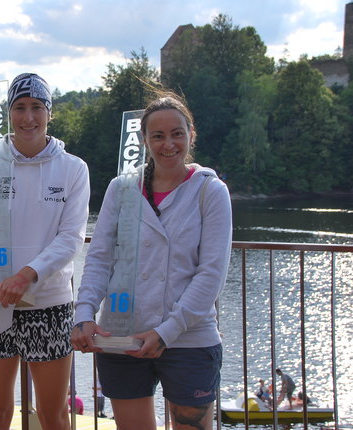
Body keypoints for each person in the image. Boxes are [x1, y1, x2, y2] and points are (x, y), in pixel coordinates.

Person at [71, 90, 232, 430]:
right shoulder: (121, 189)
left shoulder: (210, 191)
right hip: (122, 335)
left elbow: (211, 275)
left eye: (177, 133)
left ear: (191, 135)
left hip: (188, 337)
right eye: (157, 135)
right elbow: (99, 259)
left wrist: (165, 332)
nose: (168, 144)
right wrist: (84, 314)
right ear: (144, 140)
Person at [0, 73, 90, 430]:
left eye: (36, 107)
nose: (28, 117)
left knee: (53, 415)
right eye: (19, 108)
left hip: (50, 305)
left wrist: (27, 275)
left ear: (49, 113)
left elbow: (71, 237)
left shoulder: (74, 168)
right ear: (9, 113)